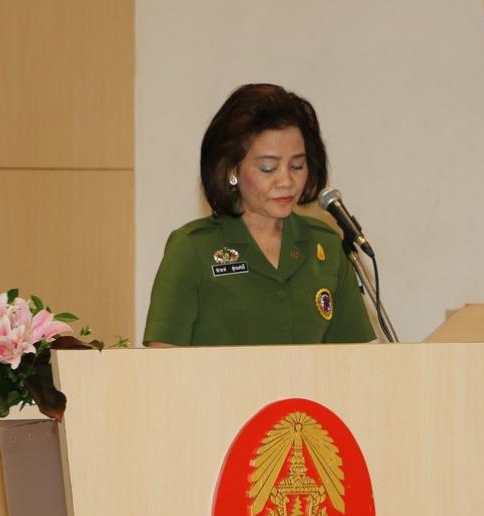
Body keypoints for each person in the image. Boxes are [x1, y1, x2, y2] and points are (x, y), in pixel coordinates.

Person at [143, 83, 375, 347]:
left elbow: (356, 360)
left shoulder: (327, 247)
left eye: (297, 166)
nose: (286, 181)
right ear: (232, 169)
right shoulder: (193, 248)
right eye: (268, 168)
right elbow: (161, 360)